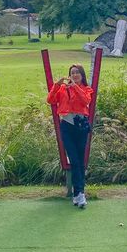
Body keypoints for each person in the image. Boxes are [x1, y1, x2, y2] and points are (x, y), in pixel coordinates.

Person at [46, 64, 94, 208]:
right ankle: (79, 194)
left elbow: (86, 101)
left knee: (80, 161)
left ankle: (79, 193)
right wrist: (57, 85)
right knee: (73, 159)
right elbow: (50, 100)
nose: (74, 75)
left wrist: (75, 87)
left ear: (82, 75)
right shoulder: (62, 89)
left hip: (81, 125)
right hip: (67, 126)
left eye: (77, 73)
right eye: (72, 73)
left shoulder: (87, 89)